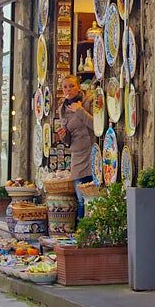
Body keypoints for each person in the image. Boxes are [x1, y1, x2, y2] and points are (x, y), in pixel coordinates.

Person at [55, 75, 94, 213]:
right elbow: (67, 140)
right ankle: (82, 231)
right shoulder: (62, 109)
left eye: (71, 86)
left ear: (78, 87)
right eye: (65, 87)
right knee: (81, 199)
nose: (68, 90)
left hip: (93, 154)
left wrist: (80, 110)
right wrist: (64, 136)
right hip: (77, 156)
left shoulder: (89, 100)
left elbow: (97, 126)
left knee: (94, 198)